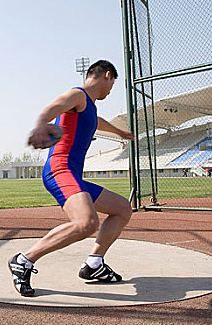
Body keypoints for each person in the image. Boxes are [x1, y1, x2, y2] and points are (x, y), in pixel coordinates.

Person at [8, 60, 135, 297]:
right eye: (112, 85)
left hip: (73, 175)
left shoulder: (89, 109)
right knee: (86, 223)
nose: (110, 91)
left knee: (122, 208)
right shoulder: (78, 95)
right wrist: (40, 125)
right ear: (107, 75)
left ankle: (94, 265)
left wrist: (119, 132)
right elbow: (55, 105)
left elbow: (97, 122)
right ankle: (23, 261)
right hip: (60, 170)